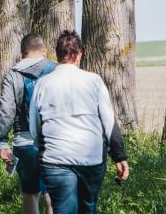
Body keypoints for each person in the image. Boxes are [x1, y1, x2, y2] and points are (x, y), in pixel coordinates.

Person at [29, 31, 129, 214]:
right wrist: (119, 156)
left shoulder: (43, 84)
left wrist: (40, 145)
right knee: (88, 208)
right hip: (90, 158)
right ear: (78, 54)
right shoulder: (94, 81)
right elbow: (108, 122)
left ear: (58, 55)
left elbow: (34, 125)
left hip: (55, 159)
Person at [0, 33, 59, 214]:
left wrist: (2, 142)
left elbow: (6, 112)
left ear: (22, 52)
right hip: (55, 141)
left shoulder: (13, 75)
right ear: (44, 51)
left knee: (30, 194)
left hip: (24, 142)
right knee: (52, 195)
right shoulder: (57, 70)